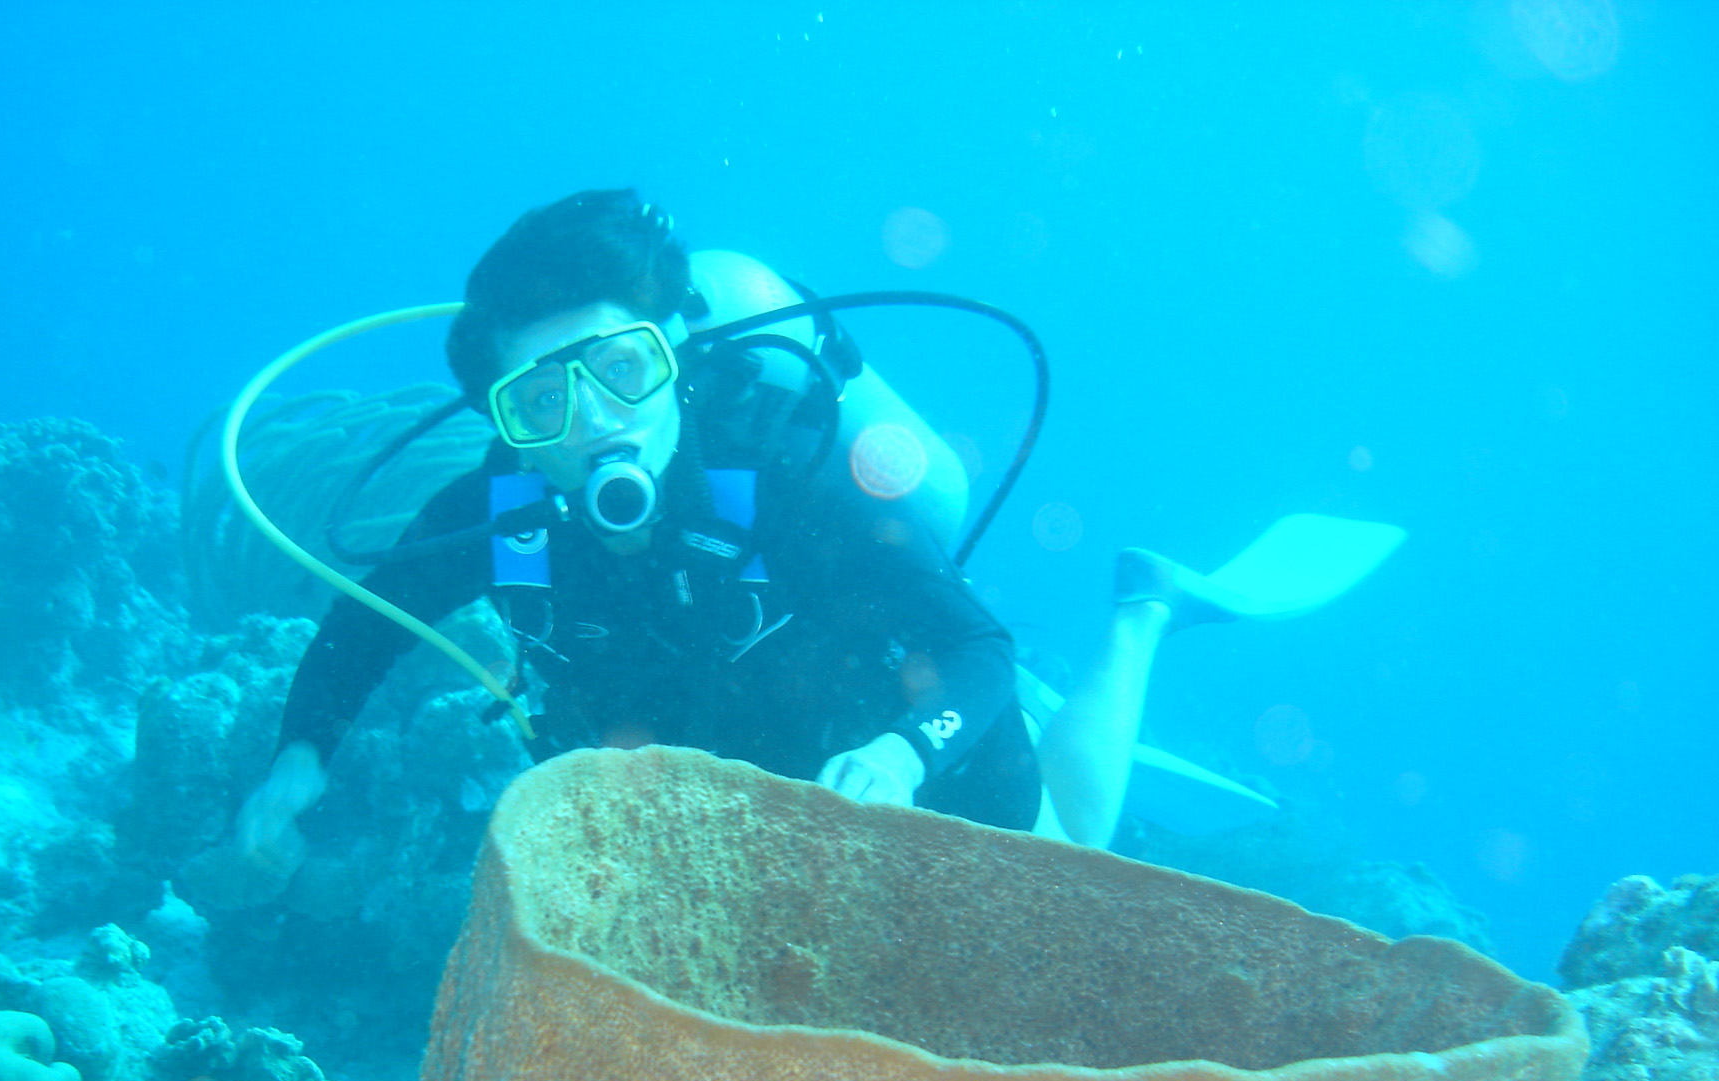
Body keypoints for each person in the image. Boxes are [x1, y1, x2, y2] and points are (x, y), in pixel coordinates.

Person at [236, 189, 1223, 873]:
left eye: (621, 368)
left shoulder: (787, 474)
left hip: (895, 763)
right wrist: (299, 758)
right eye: (541, 399)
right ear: (508, 421)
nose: (594, 421)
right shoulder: (499, 514)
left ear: (671, 352)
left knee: (1073, 845)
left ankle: (1143, 610)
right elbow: (363, 630)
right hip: (720, 819)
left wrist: (903, 755)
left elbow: (975, 650)